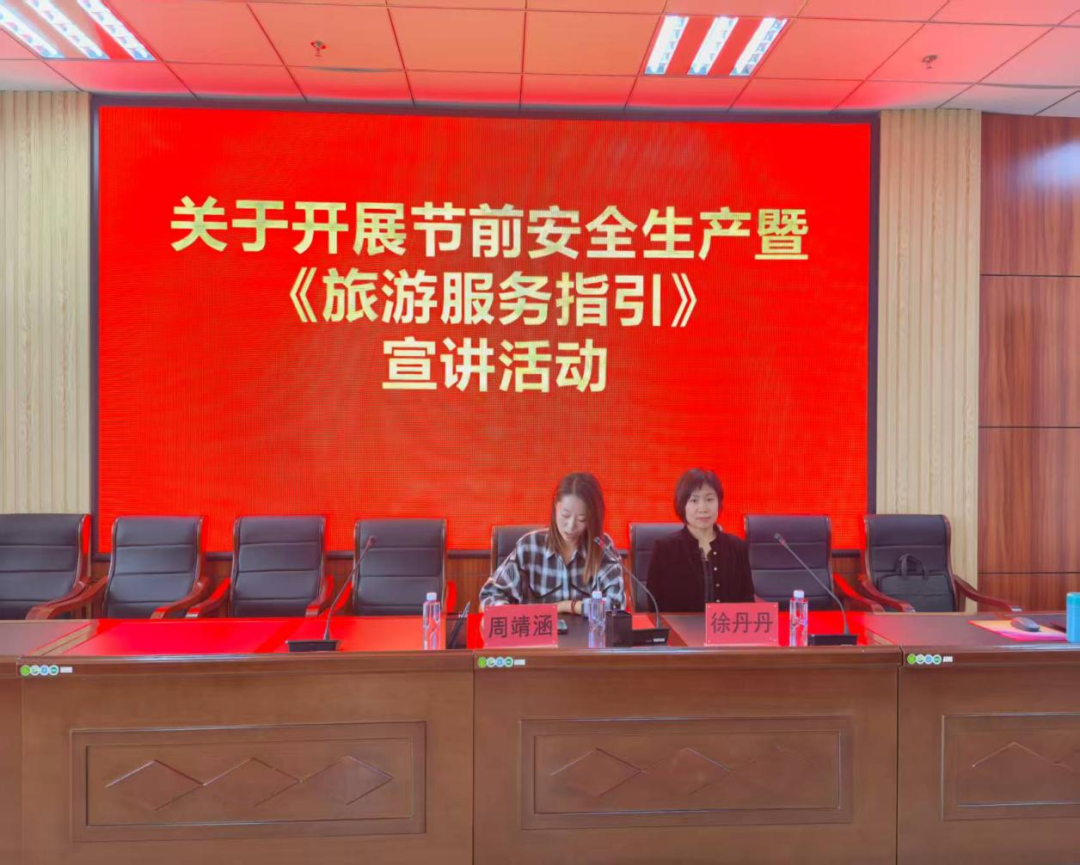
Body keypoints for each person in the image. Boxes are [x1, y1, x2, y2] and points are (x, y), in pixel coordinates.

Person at [480, 472, 625, 614]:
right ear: (556, 506)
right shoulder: (529, 547)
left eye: (582, 519)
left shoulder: (602, 547)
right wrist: (513, 613)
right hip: (537, 629)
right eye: (565, 515)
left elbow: (616, 605)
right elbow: (490, 595)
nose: (570, 526)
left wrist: (569, 606)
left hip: (587, 631)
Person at [646, 468, 754, 611]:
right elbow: (654, 607)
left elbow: (747, 601)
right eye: (694, 500)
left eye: (709, 499)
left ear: (719, 502)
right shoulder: (665, 549)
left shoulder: (737, 548)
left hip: (727, 625)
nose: (703, 508)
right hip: (678, 626)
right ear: (682, 505)